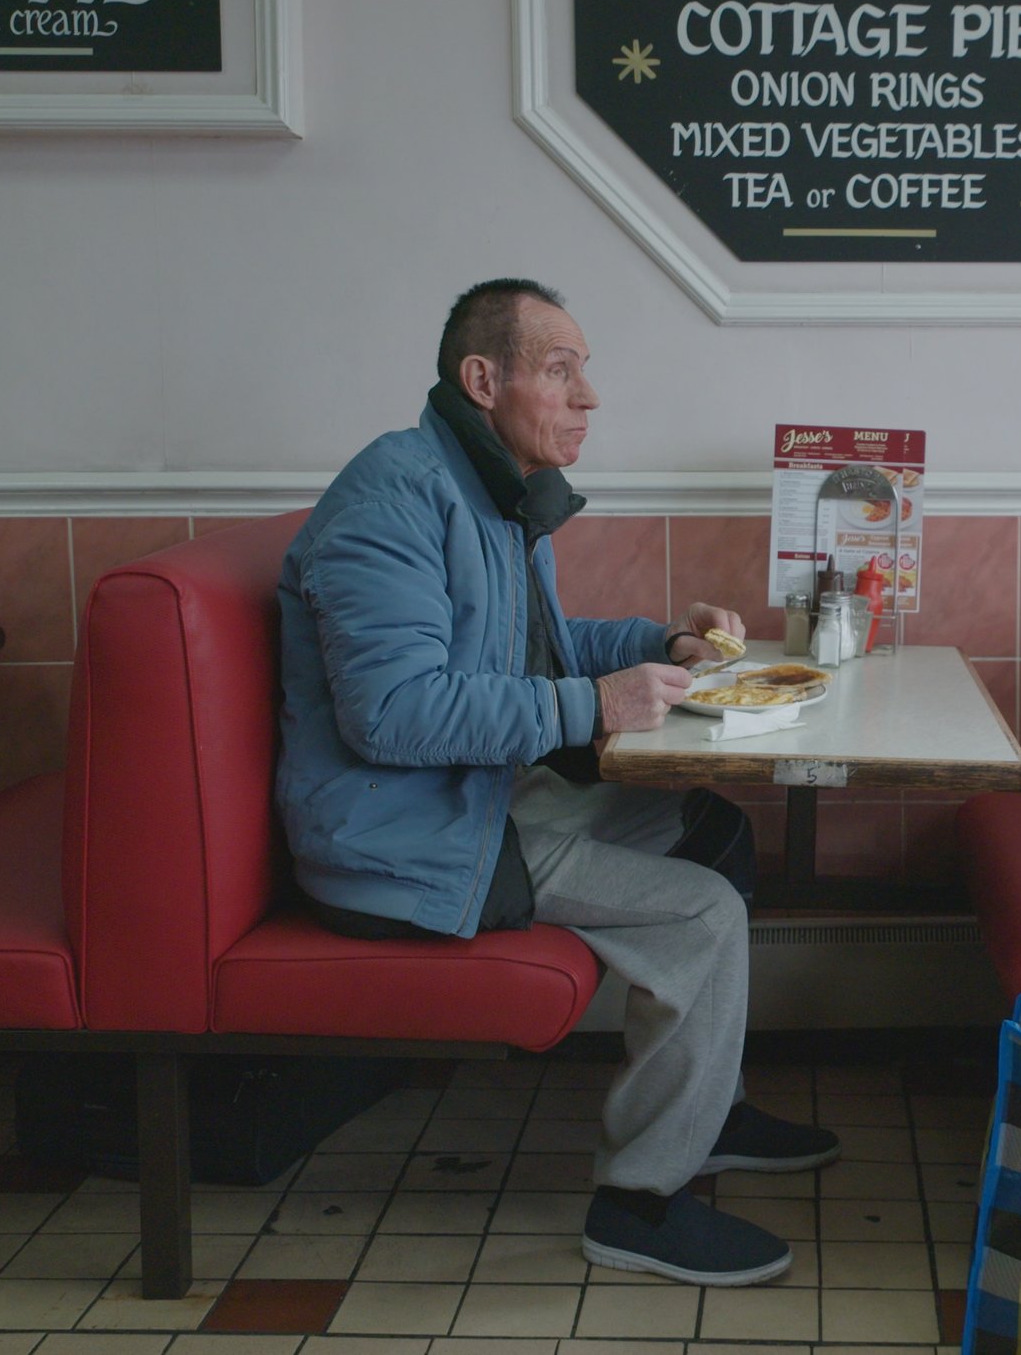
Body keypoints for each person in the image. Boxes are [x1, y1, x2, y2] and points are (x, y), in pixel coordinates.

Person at [273, 278, 834, 1287]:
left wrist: (659, 645)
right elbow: (392, 711)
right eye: (562, 369)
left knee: (711, 828)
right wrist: (594, 707)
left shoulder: (486, 489)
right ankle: (637, 1204)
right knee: (699, 912)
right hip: (406, 838)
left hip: (475, 796)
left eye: (586, 371)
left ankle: (707, 1109)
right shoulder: (394, 495)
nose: (590, 397)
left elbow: (540, 650)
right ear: (482, 378)